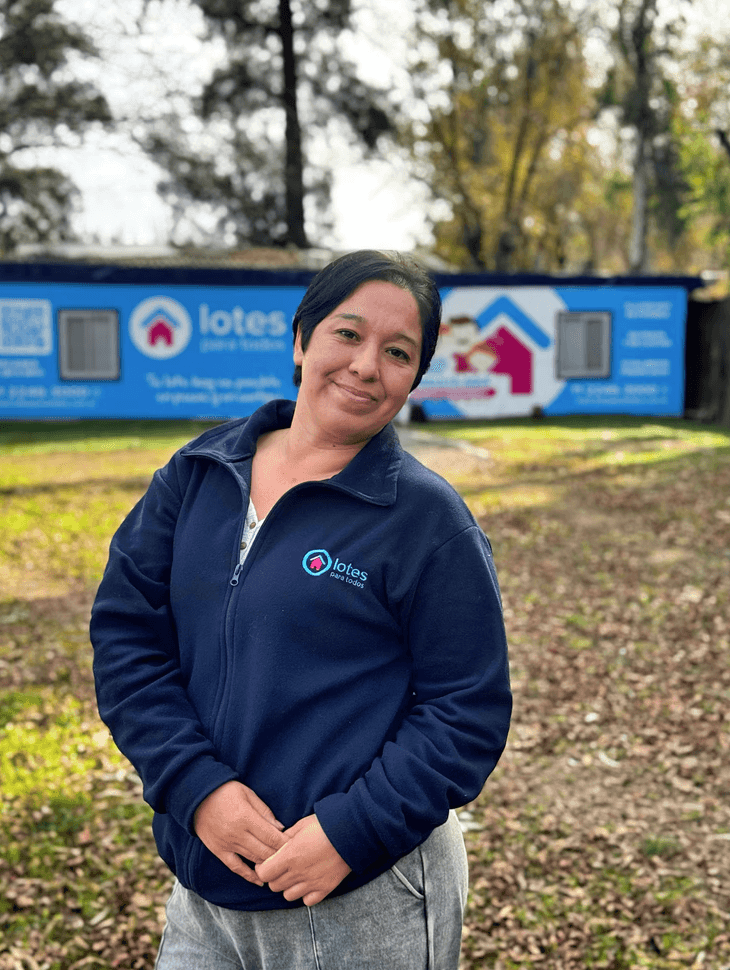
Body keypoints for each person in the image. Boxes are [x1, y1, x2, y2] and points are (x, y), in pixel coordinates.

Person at [90, 250, 512, 970]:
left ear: (413, 377)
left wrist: (351, 832)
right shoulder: (196, 476)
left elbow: (464, 711)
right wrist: (197, 788)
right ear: (302, 339)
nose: (365, 365)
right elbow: (128, 640)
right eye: (347, 334)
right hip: (204, 892)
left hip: (361, 893)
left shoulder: (425, 519)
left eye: (397, 351)